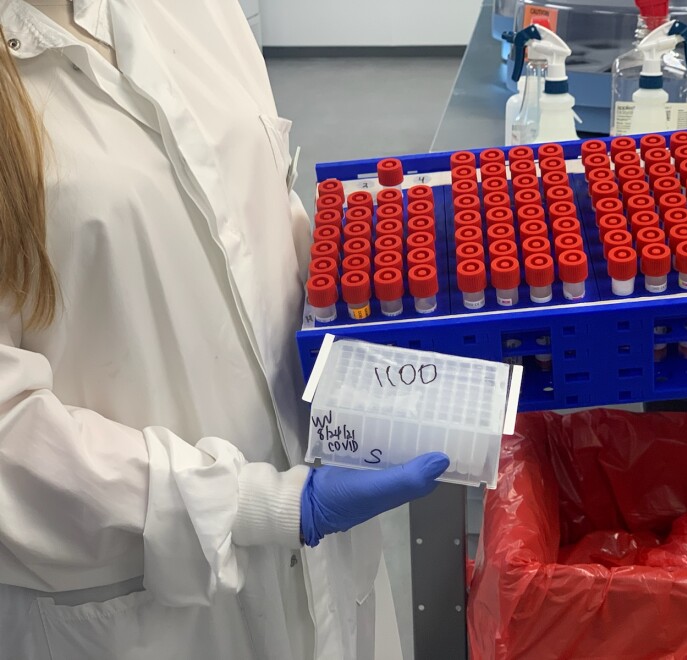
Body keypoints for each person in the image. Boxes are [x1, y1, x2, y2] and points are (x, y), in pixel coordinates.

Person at [0, 1, 450, 658]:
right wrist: (262, 506)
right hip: (150, 606)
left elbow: (258, 202)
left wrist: (359, 305)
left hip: (320, 557)